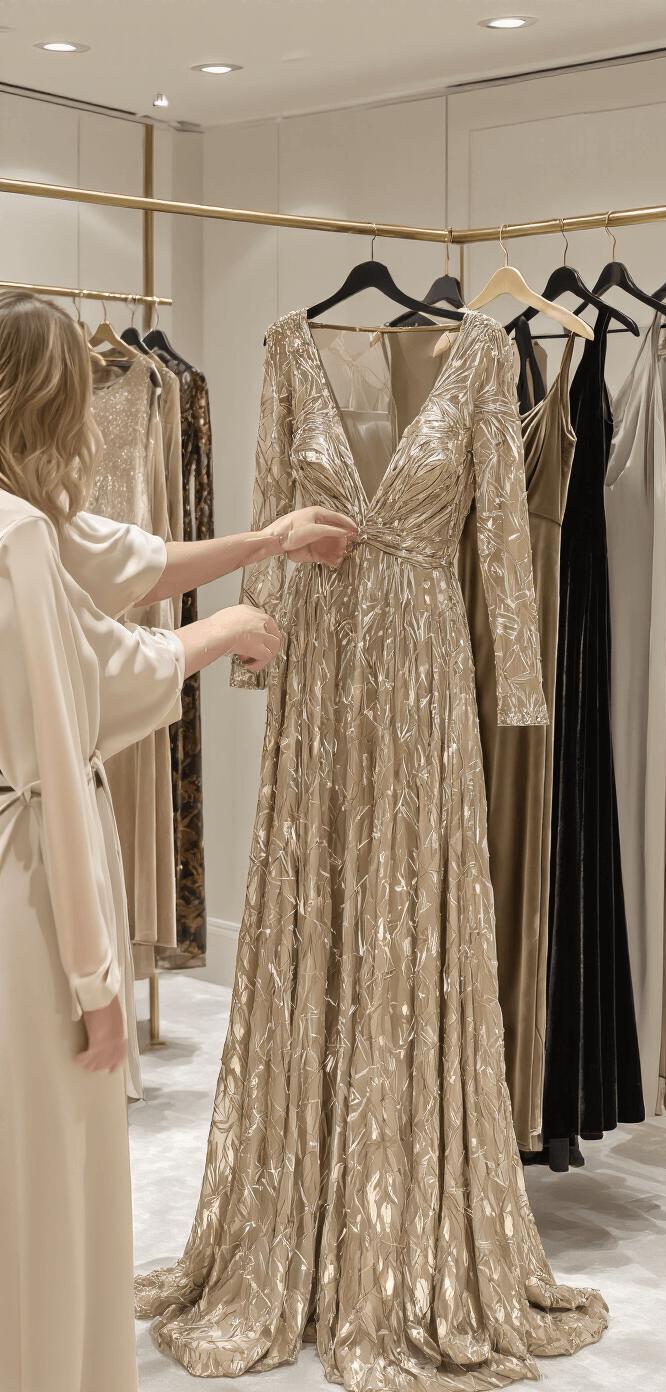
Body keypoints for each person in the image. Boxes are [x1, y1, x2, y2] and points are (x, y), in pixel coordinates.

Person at [0, 288, 357, 1392]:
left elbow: (127, 562)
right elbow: (75, 712)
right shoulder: (16, 536)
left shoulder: (29, 525)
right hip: (29, 893)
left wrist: (264, 543)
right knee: (53, 1184)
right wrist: (99, 975)